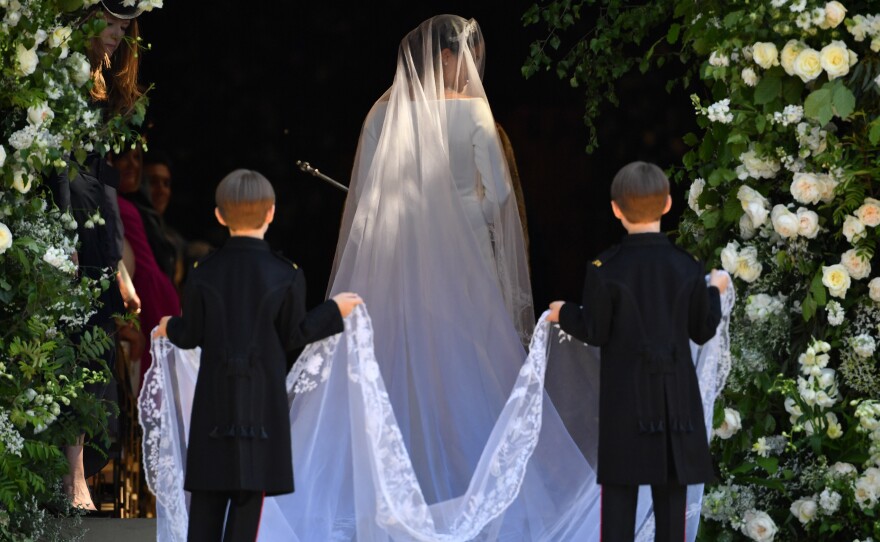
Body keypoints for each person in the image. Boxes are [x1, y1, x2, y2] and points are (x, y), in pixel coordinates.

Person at [152, 169, 362, 541]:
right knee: (250, 498)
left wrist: (168, 325)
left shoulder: (203, 272)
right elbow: (295, 334)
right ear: (271, 213)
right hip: (261, 407)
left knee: (206, 497)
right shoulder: (287, 274)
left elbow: (191, 336)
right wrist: (334, 310)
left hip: (214, 406)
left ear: (219, 216)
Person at [546, 161, 730, 542]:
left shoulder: (604, 269)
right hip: (675, 408)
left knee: (617, 508)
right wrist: (714, 290)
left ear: (615, 209)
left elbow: (595, 330)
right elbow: (702, 329)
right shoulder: (687, 267)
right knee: (670, 513)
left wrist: (565, 313)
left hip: (625, 408)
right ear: (667, 204)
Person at [46, 0, 145, 511]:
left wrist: (120, 265)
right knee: (66, 343)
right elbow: (57, 163)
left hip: (98, 221)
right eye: (111, 23)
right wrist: (62, 234)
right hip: (64, 216)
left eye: (125, 26)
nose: (117, 34)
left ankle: (77, 471)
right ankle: (67, 475)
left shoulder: (104, 81)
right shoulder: (58, 68)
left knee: (96, 343)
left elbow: (106, 178)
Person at [111, 145, 181, 388]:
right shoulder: (117, 206)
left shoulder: (138, 211)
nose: (133, 165)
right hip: (147, 315)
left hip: (156, 315)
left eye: (137, 158)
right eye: (123, 157)